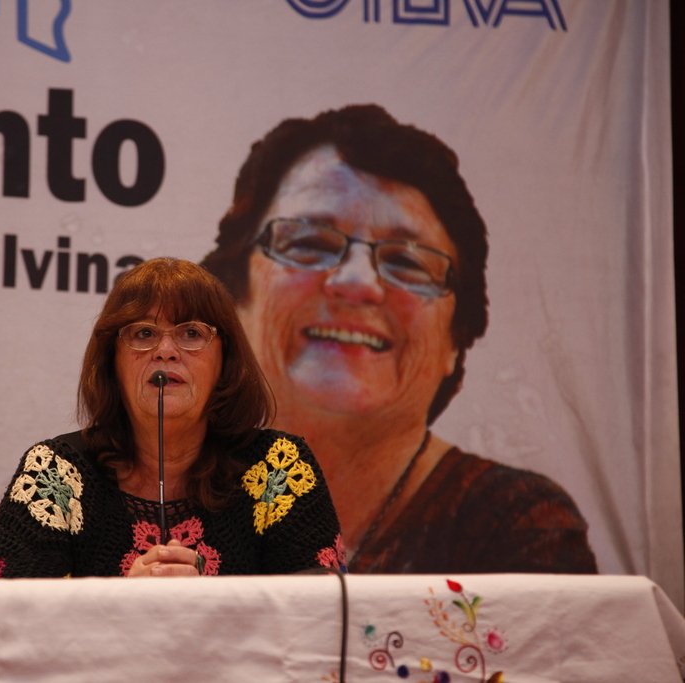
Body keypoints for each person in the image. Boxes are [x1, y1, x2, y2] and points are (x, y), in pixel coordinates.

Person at [200, 104, 597, 574]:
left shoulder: (518, 529)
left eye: (407, 262)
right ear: (233, 297)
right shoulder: (161, 495)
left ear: (456, 341)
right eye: (309, 243)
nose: (358, 282)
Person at [0, 258, 343, 578]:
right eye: (144, 333)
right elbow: (3, 618)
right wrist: (123, 604)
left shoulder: (279, 467)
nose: (166, 351)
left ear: (225, 361)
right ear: (112, 361)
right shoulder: (53, 473)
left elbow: (323, 614)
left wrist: (208, 607)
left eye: (191, 333)